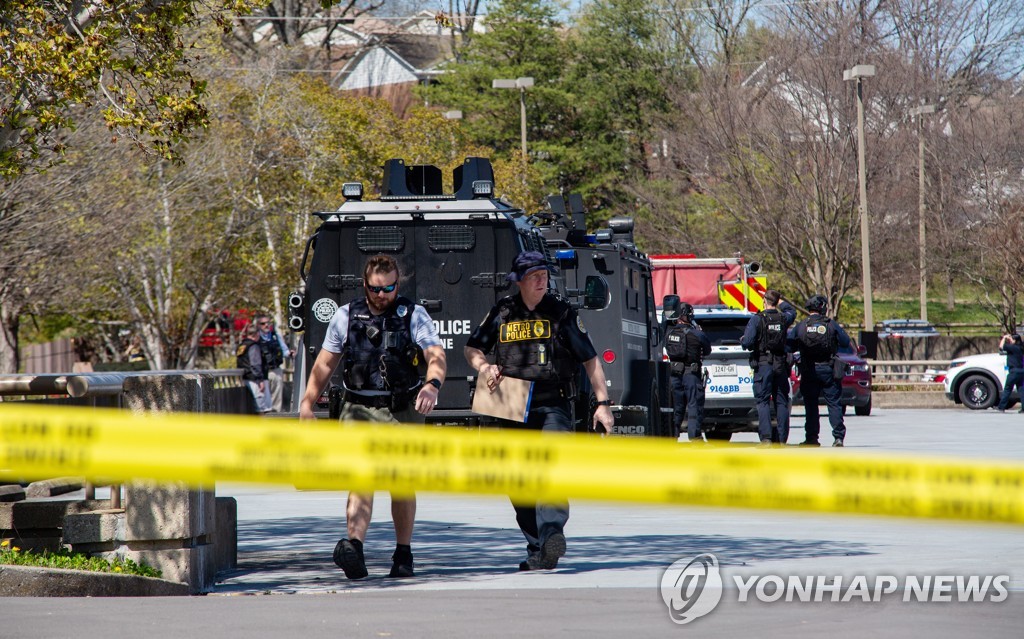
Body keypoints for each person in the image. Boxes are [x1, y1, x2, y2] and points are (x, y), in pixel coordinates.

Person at [464, 250, 615, 572]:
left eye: (544, 275)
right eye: (534, 276)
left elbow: (590, 359)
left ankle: (551, 535)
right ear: (518, 281)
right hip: (510, 402)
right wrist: (484, 366)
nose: (541, 280)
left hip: (553, 402)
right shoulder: (503, 312)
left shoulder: (561, 313)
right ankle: (539, 548)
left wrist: (603, 405)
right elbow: (472, 347)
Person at [298, 254, 447, 580]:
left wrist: (433, 385)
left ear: (398, 283)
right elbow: (325, 364)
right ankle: (355, 548)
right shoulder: (345, 316)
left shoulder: (414, 315)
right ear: (365, 285)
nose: (383, 295)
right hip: (358, 408)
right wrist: (307, 403)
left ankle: (403, 554)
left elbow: (435, 356)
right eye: (376, 289)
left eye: (390, 288)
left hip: (401, 410)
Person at [788, 294, 851, 447]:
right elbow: (845, 341)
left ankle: (811, 438)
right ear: (821, 308)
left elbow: (789, 344)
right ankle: (838, 437)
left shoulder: (801, 325)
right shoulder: (831, 324)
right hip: (828, 368)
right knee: (834, 404)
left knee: (811, 406)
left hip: (809, 369)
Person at [741, 290, 797, 446]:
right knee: (781, 401)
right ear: (777, 301)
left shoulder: (757, 320)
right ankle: (782, 439)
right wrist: (780, 302)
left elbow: (747, 343)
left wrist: (744, 340)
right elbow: (792, 311)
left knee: (763, 401)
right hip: (780, 364)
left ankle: (766, 438)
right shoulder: (783, 318)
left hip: (764, 364)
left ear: (764, 301)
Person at [664, 302, 712, 442]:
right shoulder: (696, 333)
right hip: (691, 375)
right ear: (686, 315)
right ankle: (695, 437)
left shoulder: (668, 332)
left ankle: (673, 436)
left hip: (674, 375)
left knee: (676, 407)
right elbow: (708, 350)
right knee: (694, 406)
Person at [256, 314, 291, 413]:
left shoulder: (275, 336)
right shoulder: (256, 338)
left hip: (276, 370)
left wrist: (290, 353)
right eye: (263, 324)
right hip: (263, 372)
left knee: (277, 396)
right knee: (263, 397)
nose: (266, 325)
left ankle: (276, 418)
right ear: (258, 325)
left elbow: (285, 351)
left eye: (268, 323)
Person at [237, 322, 272, 414]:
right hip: (254, 379)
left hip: (246, 377)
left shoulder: (242, 346)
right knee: (262, 406)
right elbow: (255, 364)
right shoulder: (253, 346)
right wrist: (260, 380)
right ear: (256, 334)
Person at [996, 333, 1024, 412]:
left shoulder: (1012, 347)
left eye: (1011, 339)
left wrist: (1004, 338)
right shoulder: (1021, 347)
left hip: (1014, 371)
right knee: (1021, 390)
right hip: (1021, 371)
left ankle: (1001, 407)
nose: (1010, 340)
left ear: (1015, 340)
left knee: (1008, 389)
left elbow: (1001, 347)